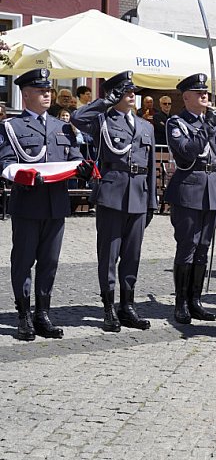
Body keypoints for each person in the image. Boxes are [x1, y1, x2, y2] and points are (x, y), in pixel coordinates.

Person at [0, 69, 93, 341]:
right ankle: (23, 315)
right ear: (25, 94)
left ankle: (43, 314)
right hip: (28, 203)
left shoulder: (60, 126)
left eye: (48, 90)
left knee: (50, 262)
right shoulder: (11, 127)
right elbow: (5, 163)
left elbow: (74, 157)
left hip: (56, 204)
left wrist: (83, 169)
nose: (47, 94)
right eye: (41, 91)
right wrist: (24, 175)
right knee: (23, 260)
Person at [71, 71, 156, 332]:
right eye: (125, 91)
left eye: (133, 91)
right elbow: (77, 118)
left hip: (139, 196)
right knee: (109, 255)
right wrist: (106, 101)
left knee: (132, 255)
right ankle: (108, 307)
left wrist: (151, 200)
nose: (132, 95)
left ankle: (127, 305)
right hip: (113, 195)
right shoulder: (102, 120)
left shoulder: (146, 126)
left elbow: (151, 166)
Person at [164, 73, 216, 324]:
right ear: (186, 97)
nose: (205, 95)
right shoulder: (176, 123)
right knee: (188, 247)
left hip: (211, 189)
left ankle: (195, 300)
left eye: (206, 92)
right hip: (189, 189)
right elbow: (187, 154)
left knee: (203, 248)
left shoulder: (210, 122)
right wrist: (207, 126)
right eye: (198, 92)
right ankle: (181, 303)